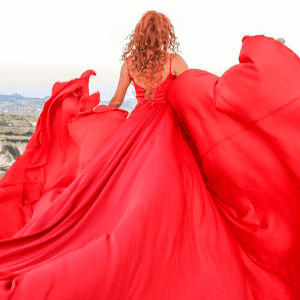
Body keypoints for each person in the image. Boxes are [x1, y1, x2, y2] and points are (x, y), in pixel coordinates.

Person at [0, 10, 299, 300]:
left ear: (139, 35)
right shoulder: (173, 61)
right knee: (175, 195)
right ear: (164, 34)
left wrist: (91, 112)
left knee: (126, 192)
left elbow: (117, 100)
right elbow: (198, 89)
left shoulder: (130, 64)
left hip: (137, 129)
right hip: (167, 130)